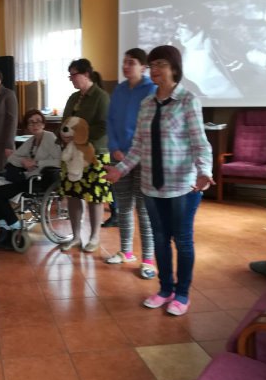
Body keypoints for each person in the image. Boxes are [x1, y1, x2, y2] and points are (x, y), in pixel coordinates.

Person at [104, 46, 214, 315]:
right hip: (151, 186)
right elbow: (139, 147)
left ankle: (182, 294)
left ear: (174, 68)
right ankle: (165, 290)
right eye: (152, 65)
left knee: (182, 241)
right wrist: (121, 169)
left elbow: (200, 143)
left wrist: (204, 171)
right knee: (160, 239)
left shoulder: (188, 100)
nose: (154, 70)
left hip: (183, 186)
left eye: (160, 64)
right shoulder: (147, 104)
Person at [105, 48, 157, 279]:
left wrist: (132, 152)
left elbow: (149, 127)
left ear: (144, 67)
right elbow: (110, 120)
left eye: (131, 62)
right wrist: (114, 148)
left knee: (144, 210)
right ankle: (126, 251)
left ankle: (148, 259)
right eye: (124, 62)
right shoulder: (119, 89)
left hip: (143, 158)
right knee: (124, 206)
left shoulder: (152, 90)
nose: (126, 66)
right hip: (118, 156)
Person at [0, 109, 62, 248]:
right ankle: (5, 227)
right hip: (29, 179)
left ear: (43, 123)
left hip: (41, 181)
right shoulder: (32, 141)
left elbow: (60, 161)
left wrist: (37, 163)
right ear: (27, 126)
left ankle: (14, 226)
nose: (35, 125)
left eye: (38, 121)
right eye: (31, 122)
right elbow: (13, 157)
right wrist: (24, 162)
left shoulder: (49, 137)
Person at [60, 58, 112, 253]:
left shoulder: (101, 96)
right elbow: (65, 121)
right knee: (73, 196)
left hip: (94, 154)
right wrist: (62, 135)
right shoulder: (73, 97)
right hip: (73, 155)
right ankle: (75, 236)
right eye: (70, 76)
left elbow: (104, 126)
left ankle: (94, 237)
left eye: (74, 75)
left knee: (94, 197)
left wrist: (79, 136)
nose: (71, 79)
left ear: (86, 74)